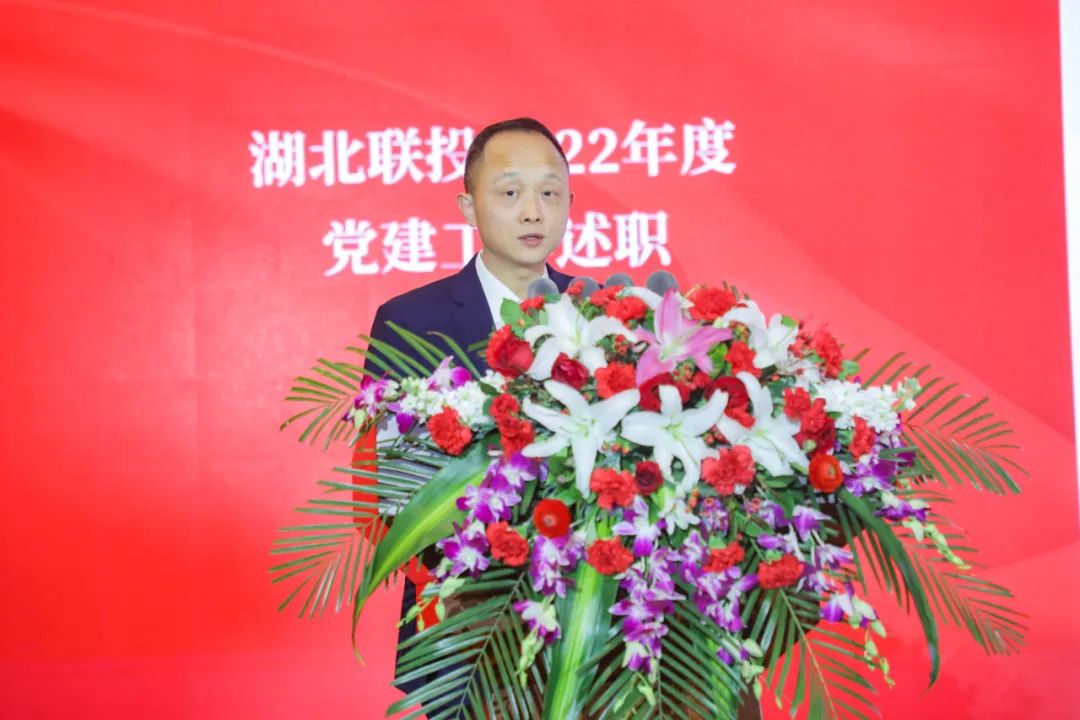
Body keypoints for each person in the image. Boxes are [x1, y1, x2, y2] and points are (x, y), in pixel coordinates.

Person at [364, 117, 576, 703]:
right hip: (465, 628)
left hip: (590, 623)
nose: (533, 212)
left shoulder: (603, 311)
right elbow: (390, 485)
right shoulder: (411, 320)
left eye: (550, 192)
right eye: (510, 193)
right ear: (467, 207)